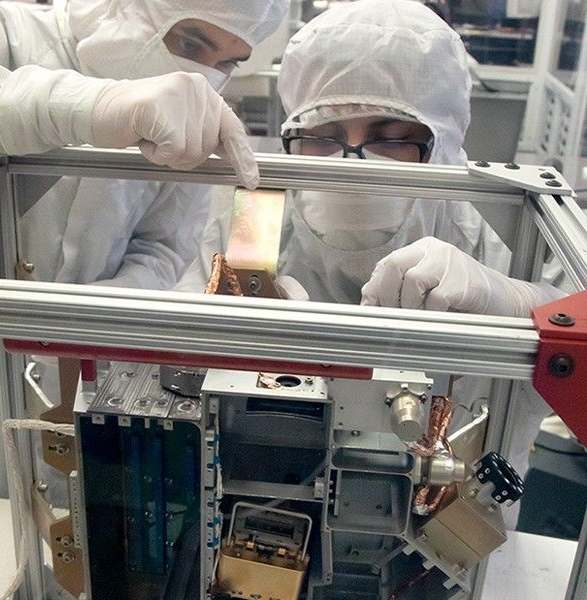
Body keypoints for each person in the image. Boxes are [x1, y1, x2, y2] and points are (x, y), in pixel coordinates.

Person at [0, 0, 288, 497]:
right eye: (190, 43)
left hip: (93, 381)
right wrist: (75, 108)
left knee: (84, 542)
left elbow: (165, 245)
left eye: (228, 62)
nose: (200, 73)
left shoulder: (195, 103)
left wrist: (113, 303)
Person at [180, 0, 561, 523]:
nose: (352, 161)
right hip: (255, 523)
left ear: (446, 146)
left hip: (439, 552)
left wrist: (518, 305)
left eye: (394, 139)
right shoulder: (253, 228)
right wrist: (231, 341)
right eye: (322, 136)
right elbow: (155, 371)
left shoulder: (493, 242)